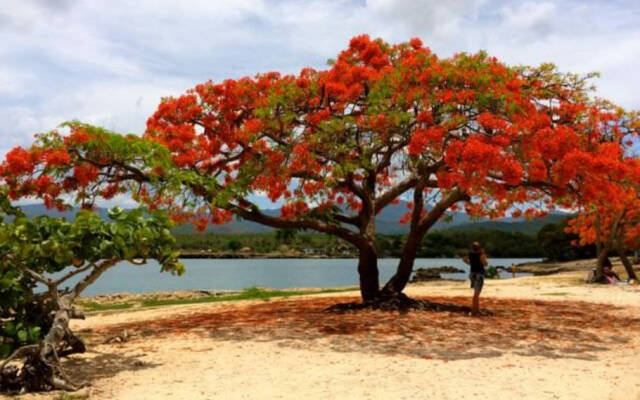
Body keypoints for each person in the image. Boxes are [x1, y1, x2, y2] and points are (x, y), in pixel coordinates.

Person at [462, 242, 487, 316]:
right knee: (476, 294)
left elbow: (464, 259)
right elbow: (484, 262)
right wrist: (486, 263)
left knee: (476, 293)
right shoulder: (481, 253)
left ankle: (477, 309)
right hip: (479, 273)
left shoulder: (470, 253)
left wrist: (470, 263)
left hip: (472, 273)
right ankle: (474, 311)